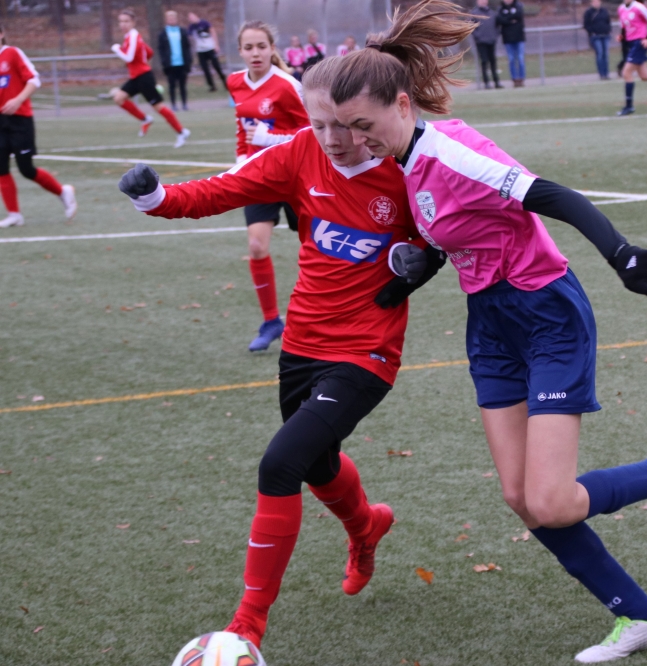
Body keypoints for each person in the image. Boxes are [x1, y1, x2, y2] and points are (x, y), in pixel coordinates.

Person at [330, 2, 647, 662]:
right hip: (489, 325)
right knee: (522, 498)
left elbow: (551, 196)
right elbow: (456, 234)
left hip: (546, 313)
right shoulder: (405, 161)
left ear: (401, 103)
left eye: (364, 125)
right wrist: (407, 277)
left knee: (553, 500)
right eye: (347, 129)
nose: (357, 140)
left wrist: (621, 255)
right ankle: (640, 616)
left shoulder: (452, 149)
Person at [117, 56, 444, 649]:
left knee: (281, 463)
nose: (333, 139)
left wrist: (424, 262)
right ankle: (366, 527)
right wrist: (156, 197)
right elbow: (224, 188)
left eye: (346, 125)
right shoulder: (299, 153)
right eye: (320, 124)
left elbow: (451, 235)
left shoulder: (409, 167)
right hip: (302, 343)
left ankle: (248, 623)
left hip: (366, 350)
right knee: (316, 464)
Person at [227, 21, 310, 352]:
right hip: (260, 176)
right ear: (240, 51)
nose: (256, 53)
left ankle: (323, 315)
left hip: (296, 175)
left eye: (261, 46)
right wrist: (241, 159)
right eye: (249, 47)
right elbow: (242, 126)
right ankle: (272, 321)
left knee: (317, 247)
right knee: (256, 246)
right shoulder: (235, 82)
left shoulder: (288, 86)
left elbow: (313, 132)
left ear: (272, 48)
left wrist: (269, 138)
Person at [0, 25, 76, 228]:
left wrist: (17, 100)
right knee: (1, 168)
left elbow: (34, 80)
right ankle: (14, 215)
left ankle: (63, 192)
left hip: (20, 120)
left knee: (26, 168)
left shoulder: (12, 53)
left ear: (2, 34)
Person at [110, 8, 190, 146]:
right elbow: (149, 52)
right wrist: (140, 61)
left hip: (144, 77)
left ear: (133, 22)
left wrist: (117, 49)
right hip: (136, 77)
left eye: (126, 21)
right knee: (119, 98)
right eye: (121, 21)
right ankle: (145, 119)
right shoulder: (129, 36)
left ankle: (181, 132)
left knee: (158, 107)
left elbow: (129, 57)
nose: (123, 24)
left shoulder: (133, 36)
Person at [158, 10, 191, 111]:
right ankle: (173, 104)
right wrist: (164, 62)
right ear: (166, 20)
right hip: (170, 64)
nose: (171, 20)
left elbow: (187, 47)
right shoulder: (163, 33)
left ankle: (184, 104)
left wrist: (189, 61)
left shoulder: (182, 31)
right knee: (172, 86)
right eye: (169, 18)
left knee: (182, 85)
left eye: (173, 18)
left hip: (182, 63)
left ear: (176, 19)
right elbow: (161, 49)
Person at [188, 12, 228, 92]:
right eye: (190, 18)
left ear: (196, 16)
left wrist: (216, 45)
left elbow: (213, 32)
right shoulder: (191, 27)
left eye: (192, 17)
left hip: (210, 48)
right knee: (205, 69)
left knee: (217, 66)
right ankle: (212, 86)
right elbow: (189, 37)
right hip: (200, 51)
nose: (192, 19)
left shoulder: (204, 23)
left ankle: (225, 83)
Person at [472, 0, 503, 88]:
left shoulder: (492, 13)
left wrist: (495, 35)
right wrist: (478, 36)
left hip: (491, 41)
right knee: (484, 61)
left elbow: (497, 26)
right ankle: (486, 82)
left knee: (493, 61)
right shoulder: (475, 14)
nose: (483, 2)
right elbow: (471, 27)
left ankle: (496, 82)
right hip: (481, 42)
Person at [497, 0, 526, 87]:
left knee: (520, 58)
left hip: (519, 37)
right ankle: (514, 79)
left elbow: (519, 16)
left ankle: (521, 78)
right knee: (511, 59)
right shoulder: (501, 9)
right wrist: (511, 20)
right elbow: (500, 20)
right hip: (508, 38)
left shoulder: (518, 6)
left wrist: (507, 19)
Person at [583, 0, 612, 79]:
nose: (596, 3)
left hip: (605, 35)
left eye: (598, 2)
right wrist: (592, 32)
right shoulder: (588, 13)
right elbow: (586, 25)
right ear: (591, 3)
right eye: (595, 2)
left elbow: (608, 21)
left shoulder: (604, 11)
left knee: (605, 55)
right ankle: (601, 74)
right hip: (596, 37)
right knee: (600, 53)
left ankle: (606, 74)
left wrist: (608, 30)